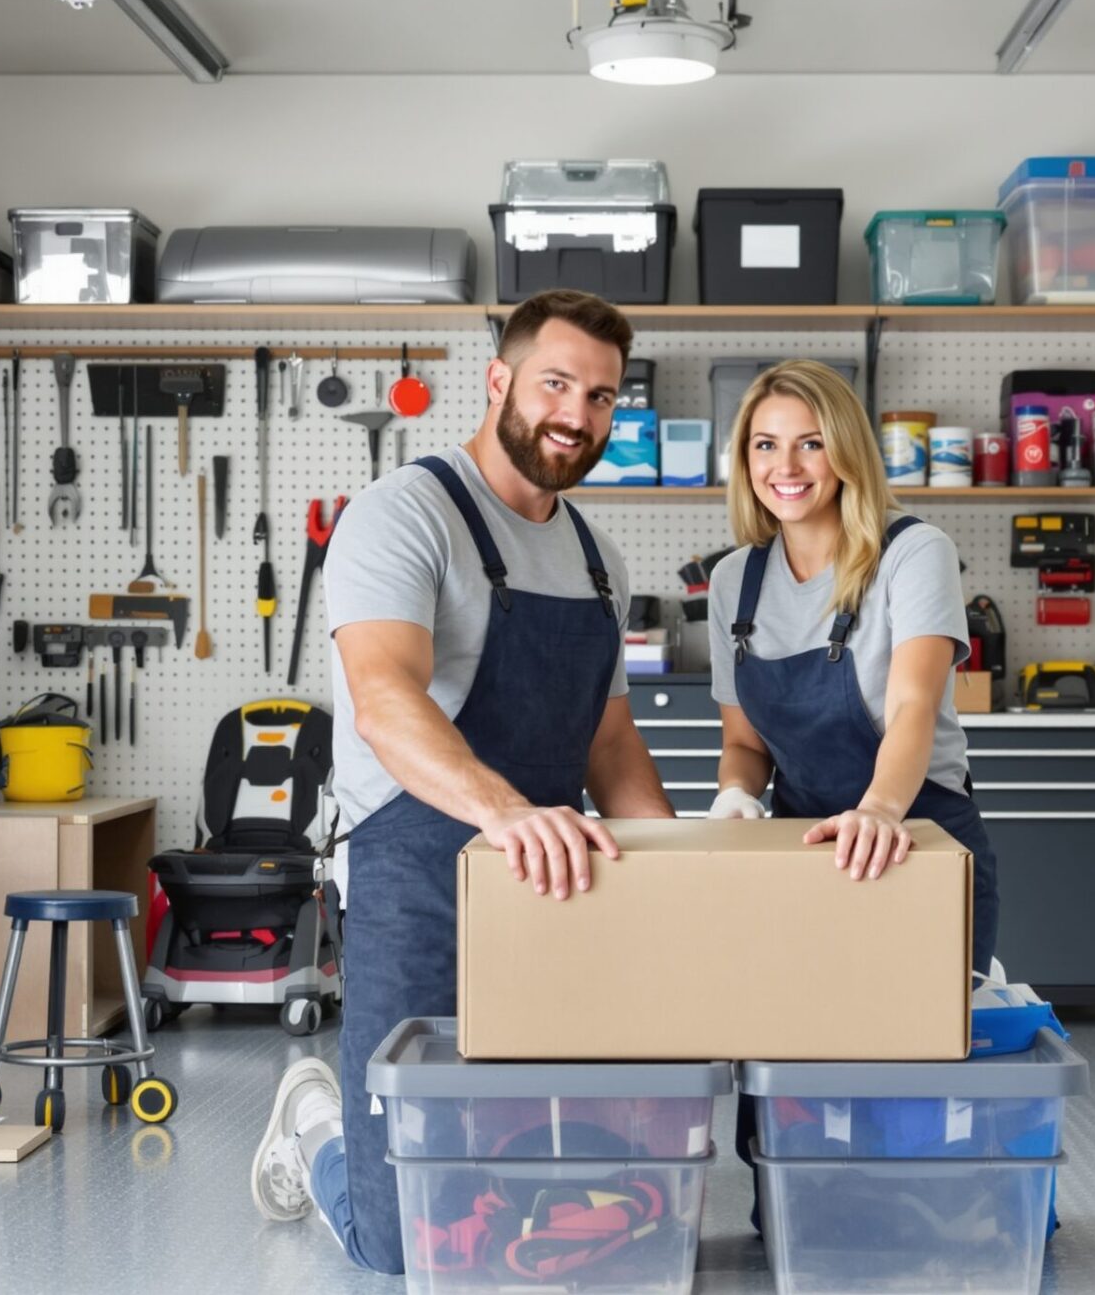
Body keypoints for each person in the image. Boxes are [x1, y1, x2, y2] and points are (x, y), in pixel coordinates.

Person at [248, 289, 676, 1273]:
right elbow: (385, 700)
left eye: (603, 397)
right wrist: (508, 812)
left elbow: (610, 740)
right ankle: (313, 1126)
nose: (578, 414)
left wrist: (675, 872)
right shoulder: (407, 513)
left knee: (522, 1201)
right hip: (422, 877)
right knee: (401, 1240)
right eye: (557, 383)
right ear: (499, 381)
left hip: (550, 878)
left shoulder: (598, 558)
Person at [705, 360, 998, 973]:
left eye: (810, 443)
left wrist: (880, 810)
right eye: (766, 445)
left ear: (845, 451)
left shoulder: (913, 552)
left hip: (917, 837)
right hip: (803, 851)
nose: (785, 467)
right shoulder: (735, 580)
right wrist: (735, 792)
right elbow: (744, 742)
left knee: (924, 1051)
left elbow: (913, 705)